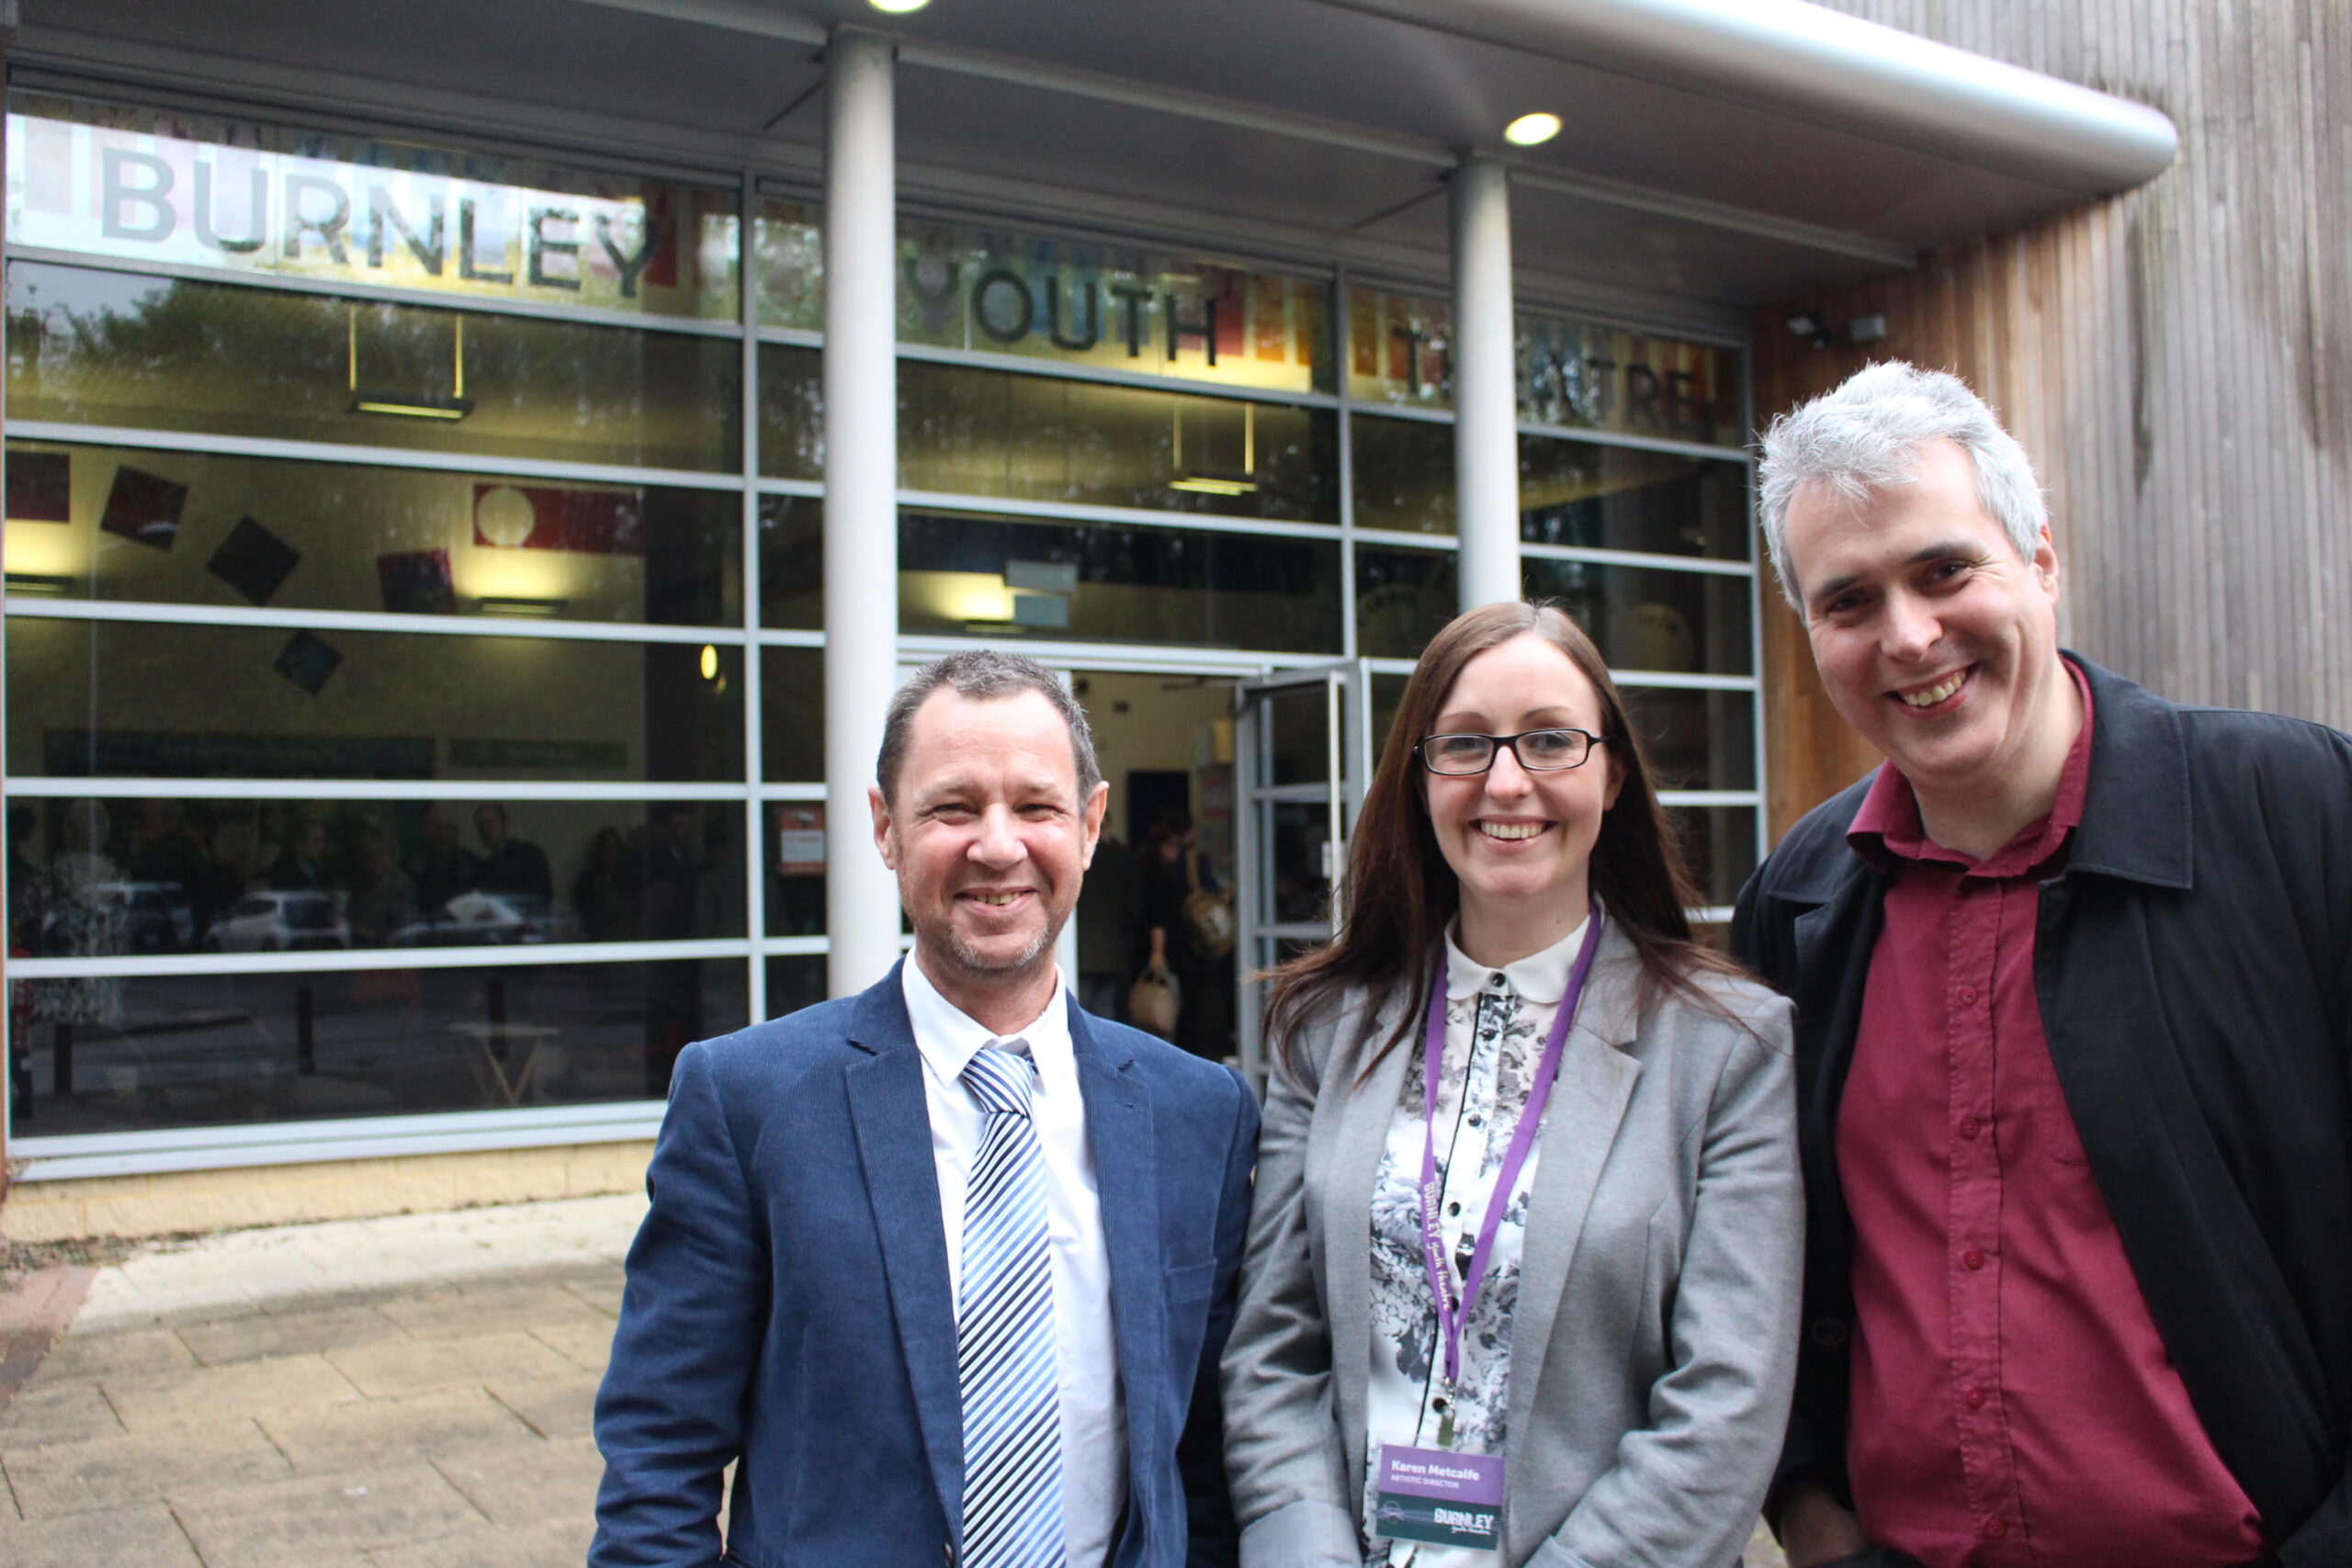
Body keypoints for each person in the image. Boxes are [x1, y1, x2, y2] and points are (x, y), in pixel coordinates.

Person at [1736, 361, 2352, 1568]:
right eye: (1849, 599)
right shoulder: (1800, 904)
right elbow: (1758, 1257)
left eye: (1944, 569)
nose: (1909, 634)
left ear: (2044, 561)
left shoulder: (2306, 817)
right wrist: (1810, 1510)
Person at [593, 649, 1261, 1568]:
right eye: (953, 806)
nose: (997, 845)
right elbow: (658, 1452)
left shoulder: (1200, 1115)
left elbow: (1207, 1459)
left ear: (1091, 823)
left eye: (1035, 806)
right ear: (884, 827)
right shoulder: (747, 1101)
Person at [1223, 600, 1802, 1567]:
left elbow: (1727, 1403)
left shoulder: (1725, 1048)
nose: (1505, 782)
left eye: (1548, 741)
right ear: (1418, 780)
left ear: (1611, 773)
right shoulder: (1322, 1033)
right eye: (1463, 746)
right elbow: (1272, 1354)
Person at [473, 802, 553, 901]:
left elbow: (541, 897)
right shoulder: (485, 868)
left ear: (505, 824)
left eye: (491, 823)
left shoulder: (529, 856)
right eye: (481, 826)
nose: (486, 830)